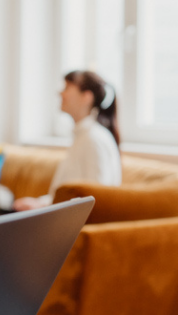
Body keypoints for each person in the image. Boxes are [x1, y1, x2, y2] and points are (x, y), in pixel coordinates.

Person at [14, 70, 122, 211]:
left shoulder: (93, 139)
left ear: (86, 97)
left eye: (66, 88)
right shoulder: (83, 136)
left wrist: (43, 206)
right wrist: (40, 203)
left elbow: (96, 199)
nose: (60, 94)